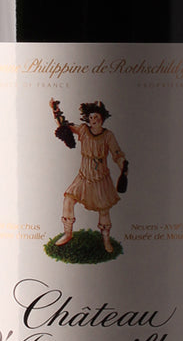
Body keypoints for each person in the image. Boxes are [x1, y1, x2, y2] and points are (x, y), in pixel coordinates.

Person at [49, 99, 127, 253]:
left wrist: (123, 165)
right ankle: (68, 234)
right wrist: (55, 111)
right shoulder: (84, 130)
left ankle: (106, 241)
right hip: (84, 177)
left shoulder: (108, 136)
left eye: (96, 117)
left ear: (102, 119)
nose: (93, 120)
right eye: (90, 117)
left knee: (104, 210)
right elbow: (65, 126)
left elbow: (117, 154)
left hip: (100, 179)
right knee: (68, 199)